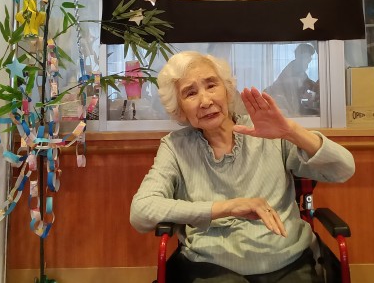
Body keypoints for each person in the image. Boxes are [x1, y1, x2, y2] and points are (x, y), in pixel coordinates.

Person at [130, 51, 355, 283]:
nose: (205, 101)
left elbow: (343, 169)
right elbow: (141, 211)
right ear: (179, 109)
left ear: (227, 90)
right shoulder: (175, 147)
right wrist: (228, 207)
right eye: (190, 93)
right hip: (211, 263)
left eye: (211, 85)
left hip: (286, 257)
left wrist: (292, 132)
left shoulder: (267, 132)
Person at [264, 43, 319, 116]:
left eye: (310, 57)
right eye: (307, 56)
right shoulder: (294, 69)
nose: (310, 59)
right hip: (281, 102)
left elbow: (309, 84)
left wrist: (316, 86)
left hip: (285, 102)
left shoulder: (299, 70)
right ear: (299, 56)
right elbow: (303, 84)